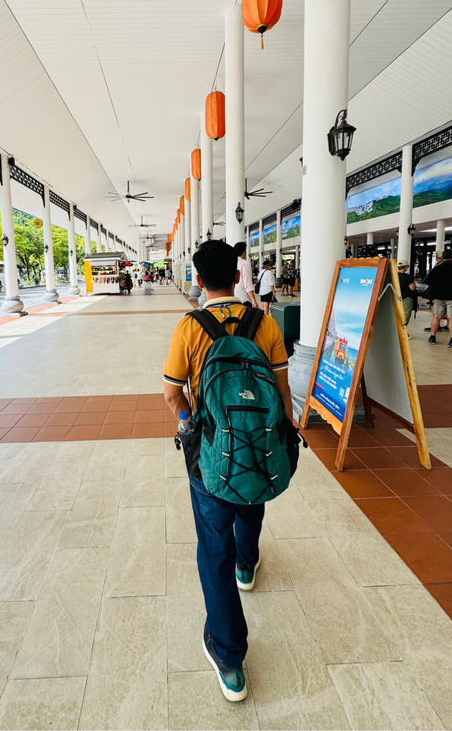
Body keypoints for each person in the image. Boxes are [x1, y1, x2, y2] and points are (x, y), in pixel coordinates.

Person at [163, 240, 292, 702]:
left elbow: (172, 393)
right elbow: (280, 390)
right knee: (251, 493)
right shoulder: (267, 324)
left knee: (211, 546)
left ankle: (230, 657)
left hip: (211, 450)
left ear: (197, 281)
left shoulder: (188, 328)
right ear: (239, 277)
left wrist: (188, 424)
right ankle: (248, 561)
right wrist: (281, 436)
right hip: (260, 445)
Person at [423, 249, 452, 347]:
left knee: (436, 316)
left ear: (442, 257)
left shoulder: (437, 268)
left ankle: (432, 337)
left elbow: (428, 281)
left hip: (438, 296)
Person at [233, 242, 257, 308]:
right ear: (244, 252)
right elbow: (247, 284)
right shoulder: (244, 264)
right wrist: (253, 300)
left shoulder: (232, 263)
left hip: (234, 299)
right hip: (244, 299)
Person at [397, 261, 417, 327]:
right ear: (406, 267)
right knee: (405, 315)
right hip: (406, 298)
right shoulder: (407, 276)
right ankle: (403, 332)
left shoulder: (394, 275)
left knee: (397, 314)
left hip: (396, 297)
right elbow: (412, 288)